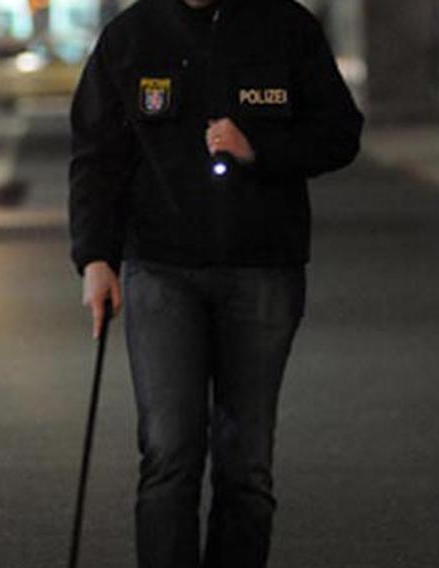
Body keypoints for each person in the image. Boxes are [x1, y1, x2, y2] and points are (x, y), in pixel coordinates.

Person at [69, 0, 364, 566]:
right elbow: (96, 157)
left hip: (262, 269)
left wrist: (260, 150)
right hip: (160, 270)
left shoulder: (287, 27)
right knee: (168, 453)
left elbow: (340, 132)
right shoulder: (130, 37)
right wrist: (95, 259)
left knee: (246, 464)